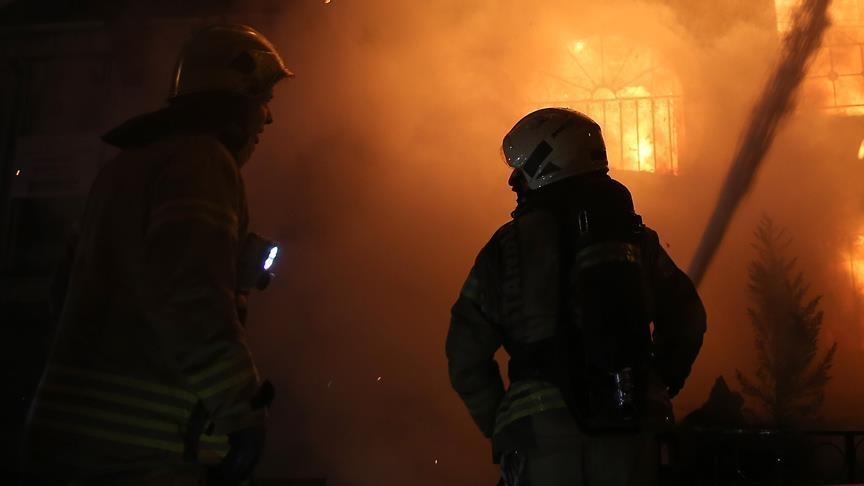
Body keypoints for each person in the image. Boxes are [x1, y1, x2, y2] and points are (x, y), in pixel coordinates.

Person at [22, 24, 292, 485]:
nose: (267, 119)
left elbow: (63, 291)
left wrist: (232, 279)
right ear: (232, 101)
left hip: (61, 436)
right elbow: (190, 296)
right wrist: (241, 409)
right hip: (134, 454)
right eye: (262, 100)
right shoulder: (202, 162)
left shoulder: (123, 169)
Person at [446, 108, 706, 485]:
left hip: (543, 443)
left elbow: (464, 356)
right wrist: (658, 380)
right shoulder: (636, 239)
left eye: (520, 169)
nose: (514, 180)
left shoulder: (505, 249)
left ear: (547, 163)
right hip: (634, 437)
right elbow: (688, 318)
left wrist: (503, 423)